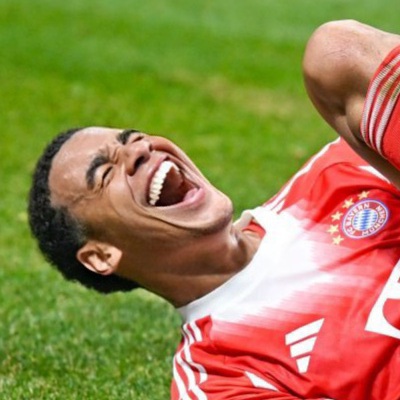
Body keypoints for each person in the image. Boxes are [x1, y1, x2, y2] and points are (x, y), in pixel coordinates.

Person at [28, 20, 400, 400]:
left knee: (335, 52)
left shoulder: (332, 175)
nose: (139, 150)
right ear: (101, 256)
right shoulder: (220, 379)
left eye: (133, 138)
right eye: (105, 173)